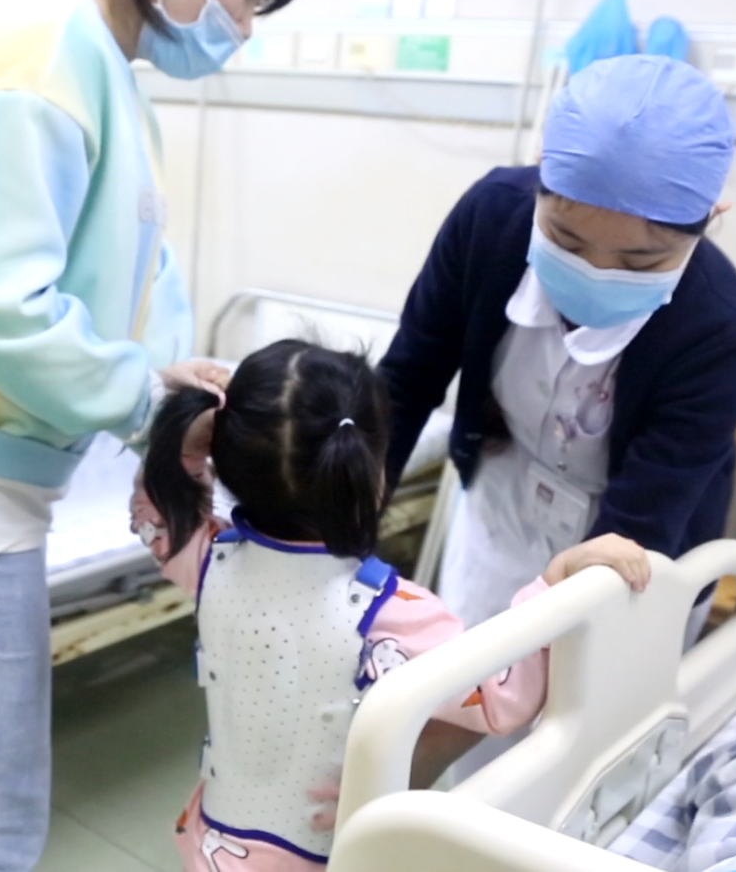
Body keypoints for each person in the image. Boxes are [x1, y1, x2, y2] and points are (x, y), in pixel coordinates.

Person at [0, 0, 307, 870]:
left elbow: (124, 272)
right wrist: (141, 400)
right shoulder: (35, 60)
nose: (244, 24)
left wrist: (167, 386)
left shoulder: (94, 68)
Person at [376, 54, 736, 779]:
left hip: (630, 558)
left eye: (641, 263)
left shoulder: (721, 330)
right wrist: (330, 533)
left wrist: (427, 753)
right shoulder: (490, 219)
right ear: (539, 177)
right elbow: (404, 383)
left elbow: (636, 533)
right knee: (468, 712)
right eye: (565, 240)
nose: (597, 272)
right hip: (503, 508)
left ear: (710, 220)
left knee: (574, 764)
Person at [129, 339, 652, 872]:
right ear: (371, 473)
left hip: (219, 845)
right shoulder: (394, 610)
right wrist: (554, 585)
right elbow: (503, 696)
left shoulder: (205, 560)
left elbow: (156, 507)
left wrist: (184, 447)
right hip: (330, 855)